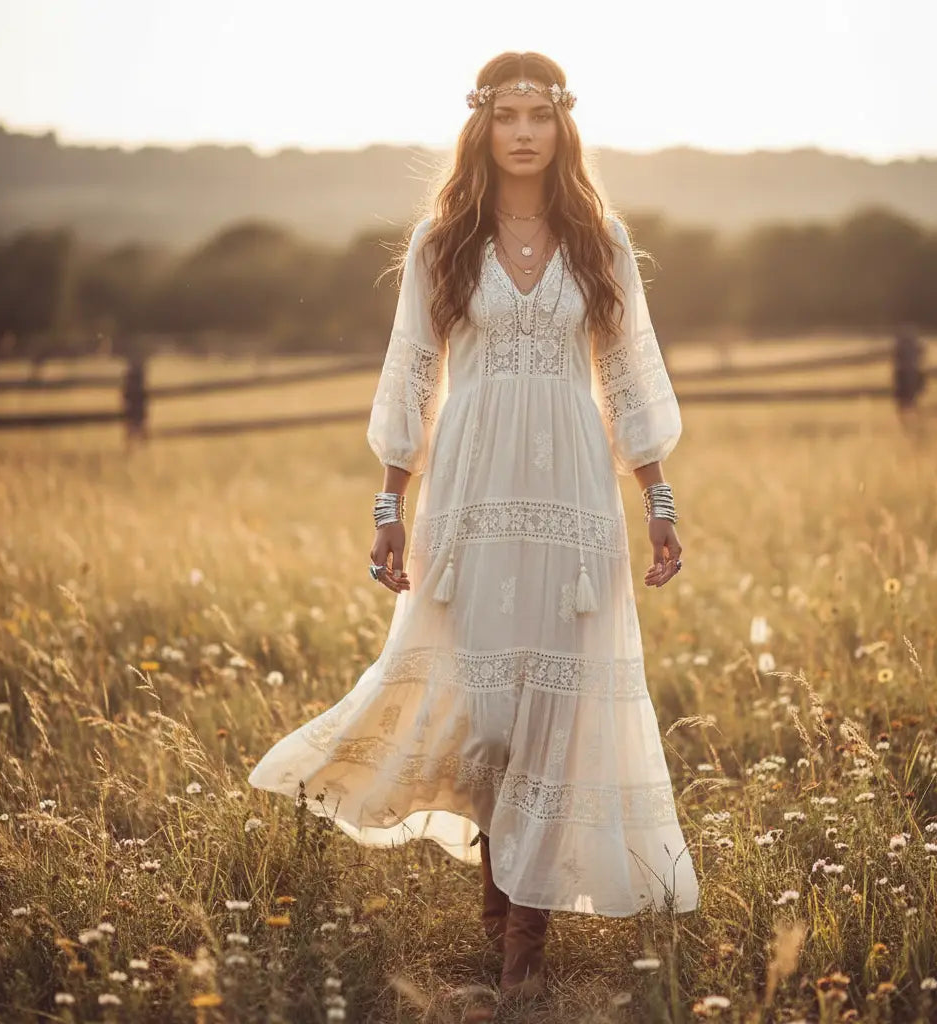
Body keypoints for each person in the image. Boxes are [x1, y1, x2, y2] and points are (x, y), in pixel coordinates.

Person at [248, 50, 700, 1004]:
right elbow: (412, 372)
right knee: (488, 709)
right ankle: (502, 894)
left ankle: (521, 941)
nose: (526, 131)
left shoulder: (601, 240)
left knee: (554, 705)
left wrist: (658, 502)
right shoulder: (439, 241)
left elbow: (626, 377)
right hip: (471, 489)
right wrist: (388, 507)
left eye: (541, 113)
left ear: (562, 124)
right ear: (483, 125)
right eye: (509, 114)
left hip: (574, 493)